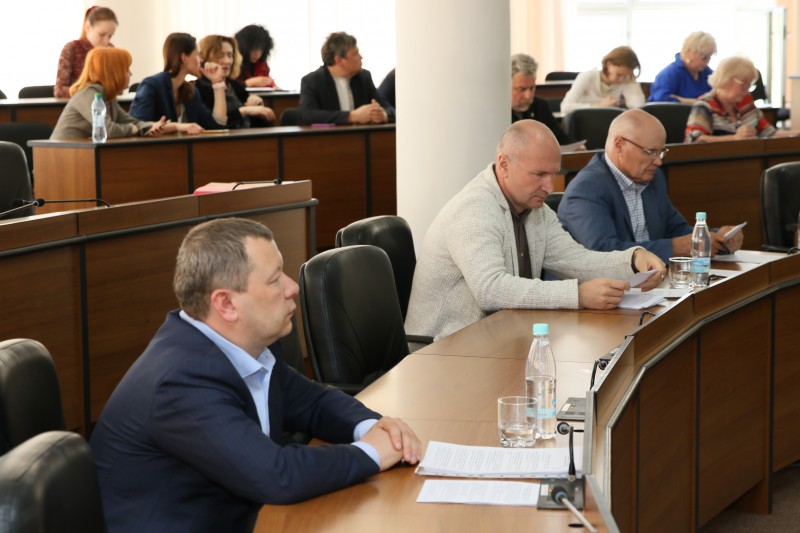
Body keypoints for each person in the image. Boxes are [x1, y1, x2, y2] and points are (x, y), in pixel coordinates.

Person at [90, 217, 421, 533]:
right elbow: (276, 475)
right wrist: (372, 452)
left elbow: (312, 401)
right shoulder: (183, 380)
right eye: (275, 279)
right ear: (226, 304)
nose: (292, 287)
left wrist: (372, 427)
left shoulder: (249, 343)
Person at [404, 120, 665, 342]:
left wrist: (632, 260)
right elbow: (490, 289)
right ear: (504, 165)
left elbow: (576, 260)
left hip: (496, 341)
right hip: (442, 351)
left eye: (553, 174)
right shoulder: (474, 209)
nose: (549, 187)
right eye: (539, 174)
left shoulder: (534, 208)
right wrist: (577, 295)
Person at [558, 109, 744, 263]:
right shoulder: (587, 189)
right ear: (619, 144)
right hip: (598, 290)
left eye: (661, 152)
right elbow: (604, 253)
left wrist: (716, 238)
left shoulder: (653, 177)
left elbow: (675, 229)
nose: (658, 162)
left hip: (649, 283)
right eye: (650, 152)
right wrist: (675, 248)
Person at [50, 48, 177, 141]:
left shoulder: (107, 96)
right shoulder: (90, 94)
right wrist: (134, 129)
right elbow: (107, 130)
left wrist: (151, 127)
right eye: (126, 69)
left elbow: (131, 121)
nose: (130, 74)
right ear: (113, 72)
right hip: (61, 158)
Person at [685, 56, 798, 143]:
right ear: (726, 79)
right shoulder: (705, 105)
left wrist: (797, 133)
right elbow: (695, 140)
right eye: (744, 83)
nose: (747, 90)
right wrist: (734, 138)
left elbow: (769, 133)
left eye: (750, 84)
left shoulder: (746, 102)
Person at [129, 33, 227, 134]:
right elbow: (138, 125)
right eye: (198, 55)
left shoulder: (191, 92)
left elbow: (217, 125)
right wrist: (176, 126)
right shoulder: (152, 85)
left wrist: (217, 83)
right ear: (184, 58)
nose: (201, 60)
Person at [299, 32, 395, 125]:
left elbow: (390, 109)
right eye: (355, 54)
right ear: (339, 60)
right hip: (328, 135)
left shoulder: (364, 77)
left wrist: (383, 115)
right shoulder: (312, 81)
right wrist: (351, 116)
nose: (361, 57)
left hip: (361, 134)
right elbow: (308, 115)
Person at [196, 35, 275, 129]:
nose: (227, 61)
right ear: (206, 57)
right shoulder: (199, 88)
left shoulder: (234, 85)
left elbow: (256, 115)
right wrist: (244, 111)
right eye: (220, 55)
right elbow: (214, 126)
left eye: (230, 55)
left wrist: (257, 103)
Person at [510, 53, 580, 148]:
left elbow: (560, 138)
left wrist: (576, 148)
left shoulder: (540, 105)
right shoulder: (496, 113)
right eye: (521, 89)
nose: (528, 96)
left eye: (532, 88)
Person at [54, 6, 118, 98]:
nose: (106, 41)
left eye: (110, 36)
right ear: (88, 27)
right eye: (101, 34)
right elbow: (59, 90)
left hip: (105, 104)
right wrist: (91, 93)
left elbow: (116, 87)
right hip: (78, 104)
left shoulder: (110, 50)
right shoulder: (71, 49)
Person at [561, 46, 645, 115]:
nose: (622, 79)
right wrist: (599, 105)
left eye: (626, 75)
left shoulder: (624, 81)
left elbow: (638, 109)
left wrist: (633, 82)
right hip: (584, 122)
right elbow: (565, 107)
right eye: (619, 74)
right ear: (608, 64)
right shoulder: (587, 77)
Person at [647, 32, 717, 104]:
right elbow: (660, 102)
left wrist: (681, 100)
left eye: (709, 58)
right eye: (704, 57)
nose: (707, 62)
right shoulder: (669, 74)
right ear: (689, 51)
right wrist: (697, 102)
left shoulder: (706, 73)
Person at [235, 24, 280, 89]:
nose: (258, 55)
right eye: (254, 49)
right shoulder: (231, 64)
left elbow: (269, 84)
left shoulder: (262, 65)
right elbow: (228, 89)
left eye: (261, 50)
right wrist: (248, 83)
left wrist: (275, 88)